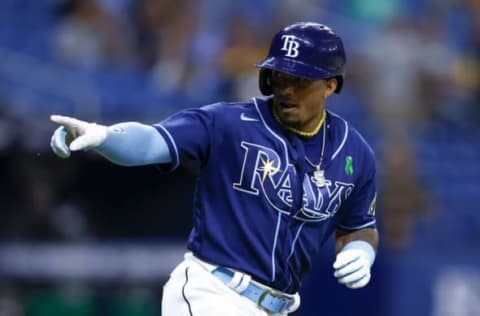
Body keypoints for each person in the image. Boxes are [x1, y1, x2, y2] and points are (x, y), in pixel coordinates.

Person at [50, 22, 379, 316]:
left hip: (278, 307)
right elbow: (151, 142)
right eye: (280, 76)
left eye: (300, 79)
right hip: (214, 293)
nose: (287, 88)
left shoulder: (354, 153)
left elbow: (358, 224)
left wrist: (361, 250)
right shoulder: (228, 123)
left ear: (330, 85)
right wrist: (104, 136)